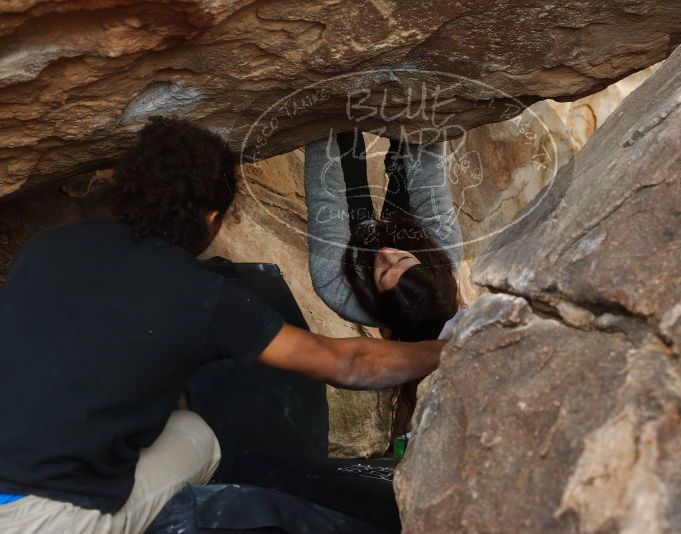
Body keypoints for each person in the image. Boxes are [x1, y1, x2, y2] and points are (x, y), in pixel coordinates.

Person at [0, 117, 443, 534]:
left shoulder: (47, 246)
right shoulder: (202, 295)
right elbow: (347, 363)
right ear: (212, 218)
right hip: (42, 518)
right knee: (198, 436)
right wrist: (446, 348)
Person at [304, 129, 464, 342]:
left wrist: (321, 120)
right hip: (409, 234)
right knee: (409, 151)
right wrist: (418, 116)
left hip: (359, 245)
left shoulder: (337, 289)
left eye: (384, 272)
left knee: (346, 143)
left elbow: (326, 200)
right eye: (403, 259)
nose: (386, 253)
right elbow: (430, 183)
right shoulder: (444, 253)